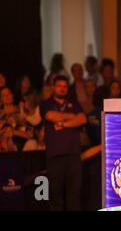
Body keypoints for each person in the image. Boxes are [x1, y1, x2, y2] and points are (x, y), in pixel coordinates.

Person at [39, 75, 87, 211]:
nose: (62, 89)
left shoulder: (74, 103)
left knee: (74, 193)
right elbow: (50, 115)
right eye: (59, 86)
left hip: (73, 154)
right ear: (53, 87)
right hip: (55, 154)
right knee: (55, 194)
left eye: (65, 87)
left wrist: (63, 124)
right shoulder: (45, 103)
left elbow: (83, 119)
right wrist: (72, 116)